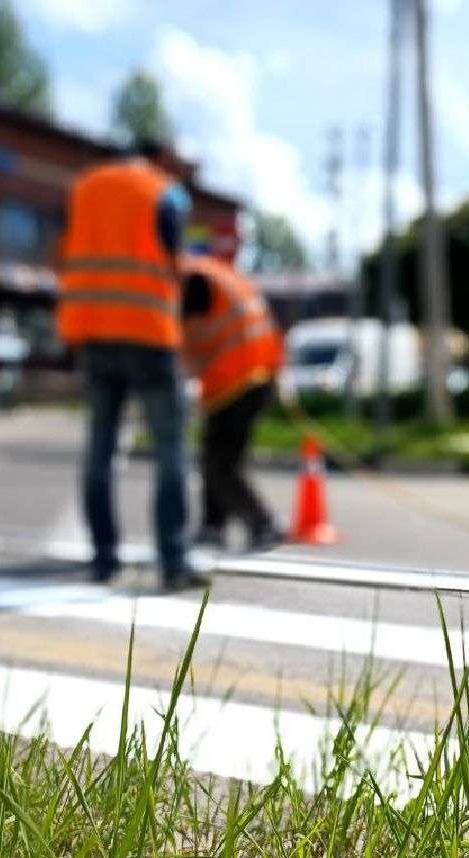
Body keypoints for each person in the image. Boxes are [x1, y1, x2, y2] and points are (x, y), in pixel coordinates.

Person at [57, 139, 205, 590]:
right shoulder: (163, 190)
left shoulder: (83, 188)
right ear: (160, 159)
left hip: (92, 330)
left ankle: (104, 559)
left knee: (100, 449)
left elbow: (61, 253)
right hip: (149, 331)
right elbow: (176, 261)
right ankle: (173, 562)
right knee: (170, 448)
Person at [180, 251, 285, 552]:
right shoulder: (217, 274)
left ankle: (263, 523)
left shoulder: (192, 279)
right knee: (216, 457)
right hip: (253, 374)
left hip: (237, 378)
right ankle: (212, 527)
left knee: (220, 463)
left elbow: (190, 330)